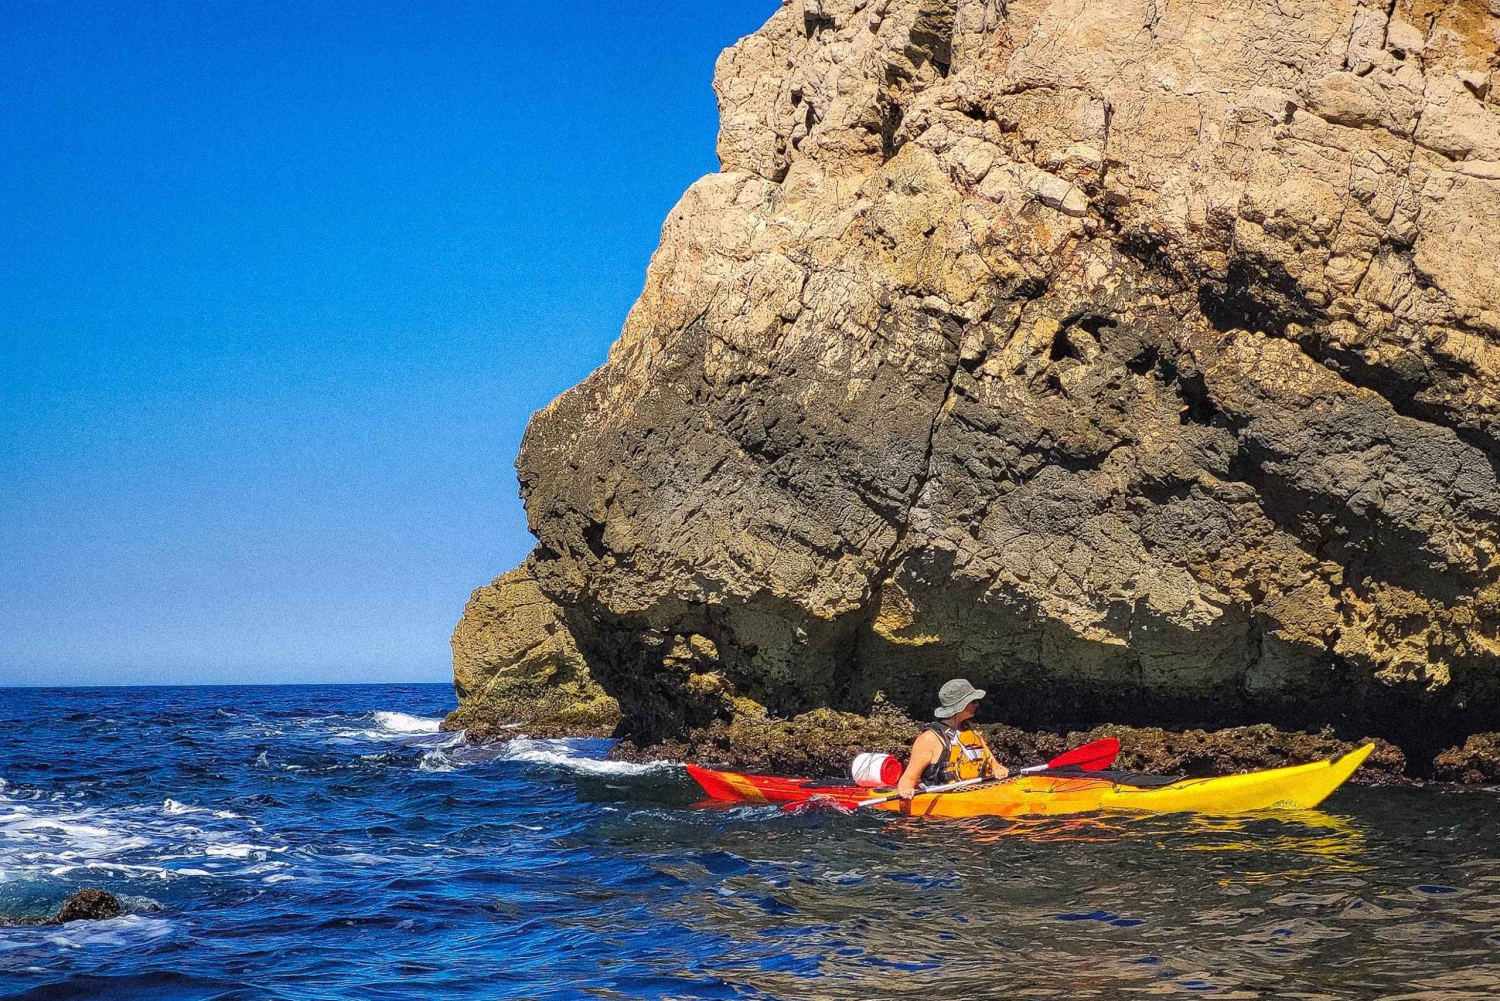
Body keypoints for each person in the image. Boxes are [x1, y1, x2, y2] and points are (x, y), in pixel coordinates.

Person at [896, 679, 1008, 800]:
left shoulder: (973, 733)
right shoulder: (929, 739)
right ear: (960, 705)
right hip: (946, 803)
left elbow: (995, 766)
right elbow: (908, 779)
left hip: (977, 795)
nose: (977, 705)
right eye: (973, 701)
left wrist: (999, 770)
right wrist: (906, 790)